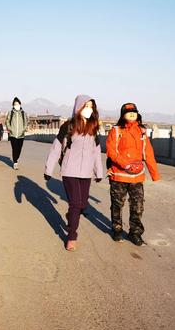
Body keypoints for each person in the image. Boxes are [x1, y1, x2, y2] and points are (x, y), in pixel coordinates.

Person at [44, 95, 104, 251]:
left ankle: (71, 216)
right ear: (79, 107)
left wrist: (99, 172)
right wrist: (48, 170)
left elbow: (96, 151)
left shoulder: (93, 127)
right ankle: (71, 236)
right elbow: (56, 148)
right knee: (76, 203)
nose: (89, 109)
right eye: (86, 106)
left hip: (86, 173)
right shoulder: (68, 126)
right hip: (69, 170)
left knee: (82, 204)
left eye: (91, 106)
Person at [105, 103, 160, 246]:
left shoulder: (142, 132)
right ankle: (117, 229)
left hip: (137, 176)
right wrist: (125, 164)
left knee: (137, 205)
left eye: (134, 112)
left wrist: (155, 174)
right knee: (117, 204)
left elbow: (148, 153)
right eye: (128, 112)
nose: (131, 114)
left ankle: (135, 233)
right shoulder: (116, 131)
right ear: (122, 115)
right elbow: (111, 151)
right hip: (119, 175)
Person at [5, 97, 28, 170]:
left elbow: (26, 122)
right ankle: (15, 162)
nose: (16, 105)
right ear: (13, 105)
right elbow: (7, 121)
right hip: (13, 134)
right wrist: (10, 129)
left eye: (17, 104)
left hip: (21, 134)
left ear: (20, 104)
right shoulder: (10, 113)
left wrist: (24, 129)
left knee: (19, 149)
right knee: (14, 148)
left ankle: (16, 158)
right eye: (15, 104)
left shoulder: (23, 113)